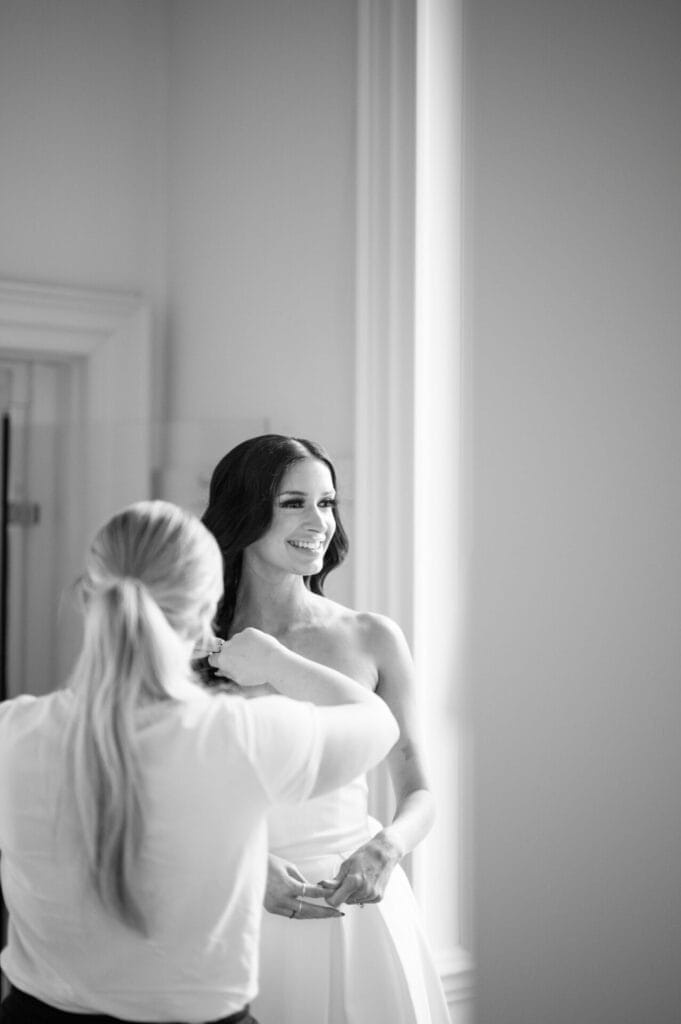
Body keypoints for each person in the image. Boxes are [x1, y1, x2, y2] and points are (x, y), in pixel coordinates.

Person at [0, 500, 398, 1024]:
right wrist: (276, 660)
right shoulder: (240, 738)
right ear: (204, 605)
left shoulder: (13, 732)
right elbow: (378, 721)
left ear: (89, 597)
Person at [201, 435, 450, 1024]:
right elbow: (153, 786)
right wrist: (244, 864)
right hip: (230, 901)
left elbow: (421, 788)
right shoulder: (190, 640)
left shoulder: (372, 637)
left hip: (355, 908)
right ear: (244, 514)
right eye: (295, 502)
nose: (319, 521)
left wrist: (388, 848)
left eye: (328, 502)